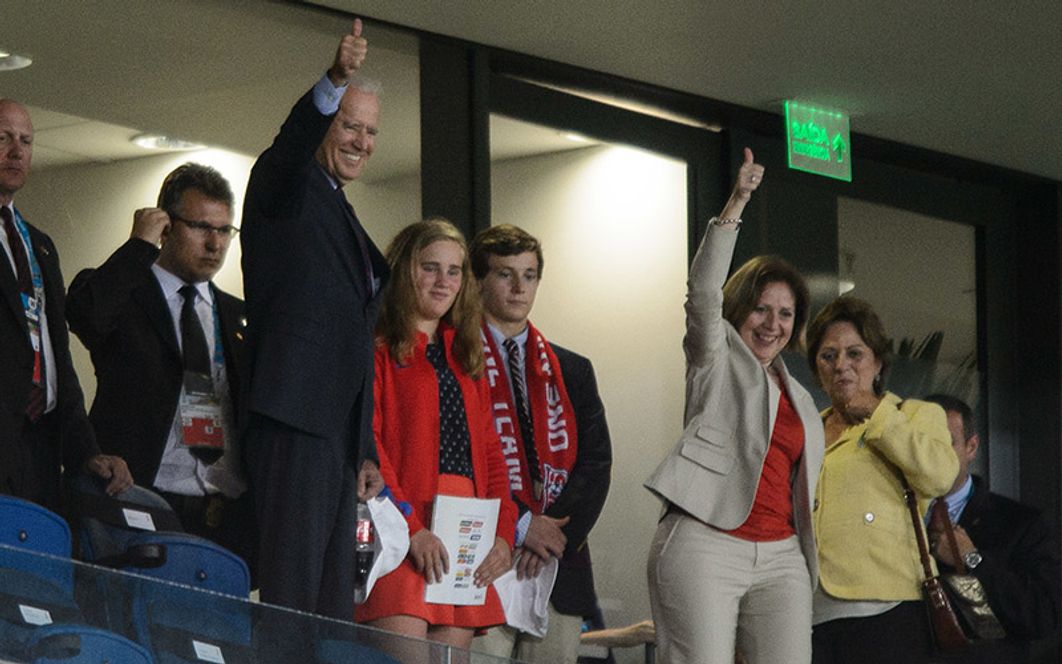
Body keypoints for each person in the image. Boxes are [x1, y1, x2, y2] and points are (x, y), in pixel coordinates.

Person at [644, 148, 825, 664]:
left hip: (783, 556)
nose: (773, 323)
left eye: (786, 314)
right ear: (740, 308)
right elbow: (702, 292)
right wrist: (737, 202)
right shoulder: (714, 356)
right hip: (706, 543)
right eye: (762, 309)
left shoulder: (802, 397)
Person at [239, 19, 388, 617]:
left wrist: (365, 446)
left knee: (332, 611)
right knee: (293, 601)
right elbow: (290, 147)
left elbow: (350, 339)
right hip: (293, 424)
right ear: (325, 123)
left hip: (336, 440)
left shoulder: (341, 210)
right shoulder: (286, 186)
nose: (361, 140)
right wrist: (333, 79)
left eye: (371, 130)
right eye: (349, 123)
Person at [67, 163, 256, 570]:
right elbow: (86, 316)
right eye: (201, 227)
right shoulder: (127, 296)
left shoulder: (238, 316)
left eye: (225, 230)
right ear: (166, 226)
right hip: (140, 503)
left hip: (225, 515)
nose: (215, 243)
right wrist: (139, 247)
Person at [357, 219, 517, 653]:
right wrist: (411, 528)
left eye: (455, 270)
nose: (444, 281)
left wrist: (504, 536)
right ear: (405, 269)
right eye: (431, 267)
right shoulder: (376, 349)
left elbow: (491, 455)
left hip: (463, 537)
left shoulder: (467, 357)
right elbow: (370, 450)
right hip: (400, 537)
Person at [468, 224, 613, 663]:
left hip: (557, 567)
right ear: (477, 281)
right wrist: (521, 524)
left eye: (529, 275)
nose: (518, 288)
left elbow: (596, 463)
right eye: (504, 274)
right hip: (482, 560)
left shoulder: (572, 368)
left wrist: (551, 534)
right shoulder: (455, 357)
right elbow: (462, 456)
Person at [807, 297, 958, 664]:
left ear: (877, 362)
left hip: (888, 610)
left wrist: (877, 413)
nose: (841, 365)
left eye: (854, 354)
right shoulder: (805, 428)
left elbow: (940, 475)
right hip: (808, 612)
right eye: (828, 356)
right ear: (816, 368)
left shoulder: (914, 414)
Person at [0, 98, 132, 510]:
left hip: (39, 450)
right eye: (2, 138)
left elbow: (56, 357)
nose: (16, 151)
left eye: (25, 141)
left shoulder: (39, 245)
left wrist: (85, 450)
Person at [922, 393, 1060, 663]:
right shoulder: (893, 517)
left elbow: (1042, 615)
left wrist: (973, 559)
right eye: (923, 442)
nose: (932, 454)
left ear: (971, 447)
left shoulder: (1020, 522)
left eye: (946, 442)